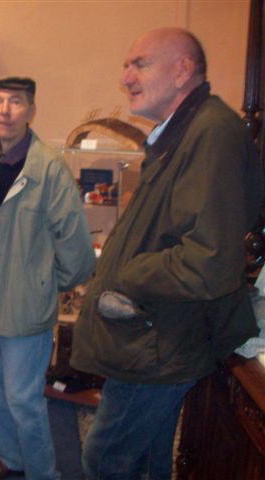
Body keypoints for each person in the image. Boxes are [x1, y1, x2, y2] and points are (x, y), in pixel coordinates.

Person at [70, 27, 264, 480]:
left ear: (182, 71)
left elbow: (207, 262)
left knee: (105, 459)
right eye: (126, 66)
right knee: (147, 462)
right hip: (157, 335)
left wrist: (128, 273)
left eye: (139, 64)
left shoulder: (210, 133)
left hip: (159, 344)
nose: (126, 77)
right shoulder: (185, 132)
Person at [0, 77, 95, 480]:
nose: (5, 110)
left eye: (16, 102)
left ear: (31, 111)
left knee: (23, 398)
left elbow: (76, 248)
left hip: (26, 306)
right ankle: (11, 459)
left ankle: (42, 473)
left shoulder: (50, 168)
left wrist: (45, 283)